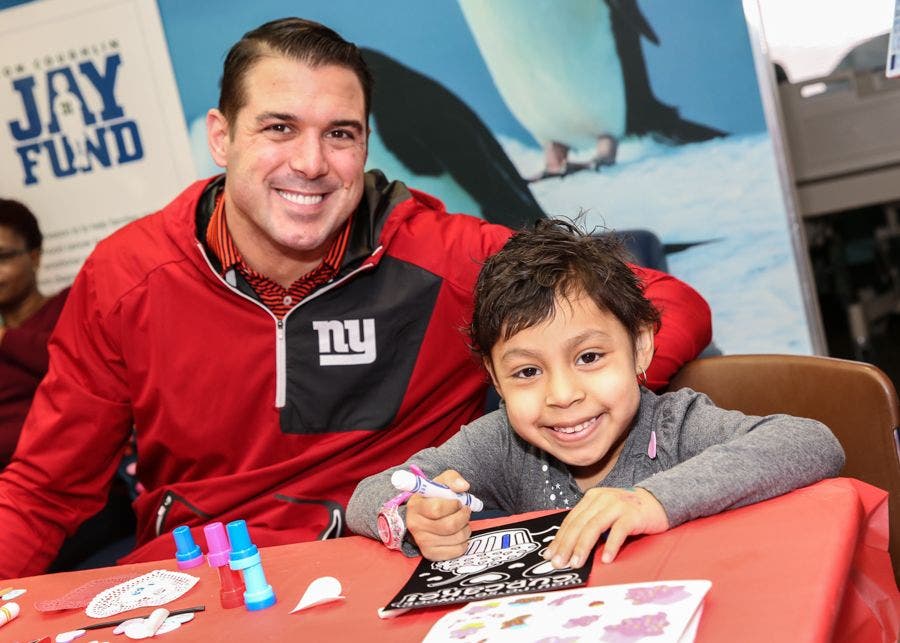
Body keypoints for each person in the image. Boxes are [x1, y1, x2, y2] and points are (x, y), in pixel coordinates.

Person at [0, 18, 712, 579]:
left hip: (395, 560)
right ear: (221, 136)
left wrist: (574, 403)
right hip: (209, 577)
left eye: (339, 134)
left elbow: (667, 303)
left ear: (367, 144)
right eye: (278, 128)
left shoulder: (440, 254)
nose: (311, 164)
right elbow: (43, 489)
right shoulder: (128, 275)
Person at [346, 220, 844, 566]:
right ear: (495, 381)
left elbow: (809, 442)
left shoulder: (675, 426)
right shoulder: (502, 444)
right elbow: (368, 496)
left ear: (641, 347)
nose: (562, 395)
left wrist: (651, 501)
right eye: (526, 372)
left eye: (588, 357)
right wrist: (413, 517)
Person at [0, 199, 69, 469]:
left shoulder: (69, 307)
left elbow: (71, 364)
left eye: (2, 257)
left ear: (34, 257)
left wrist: (6, 339)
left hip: (67, 476)